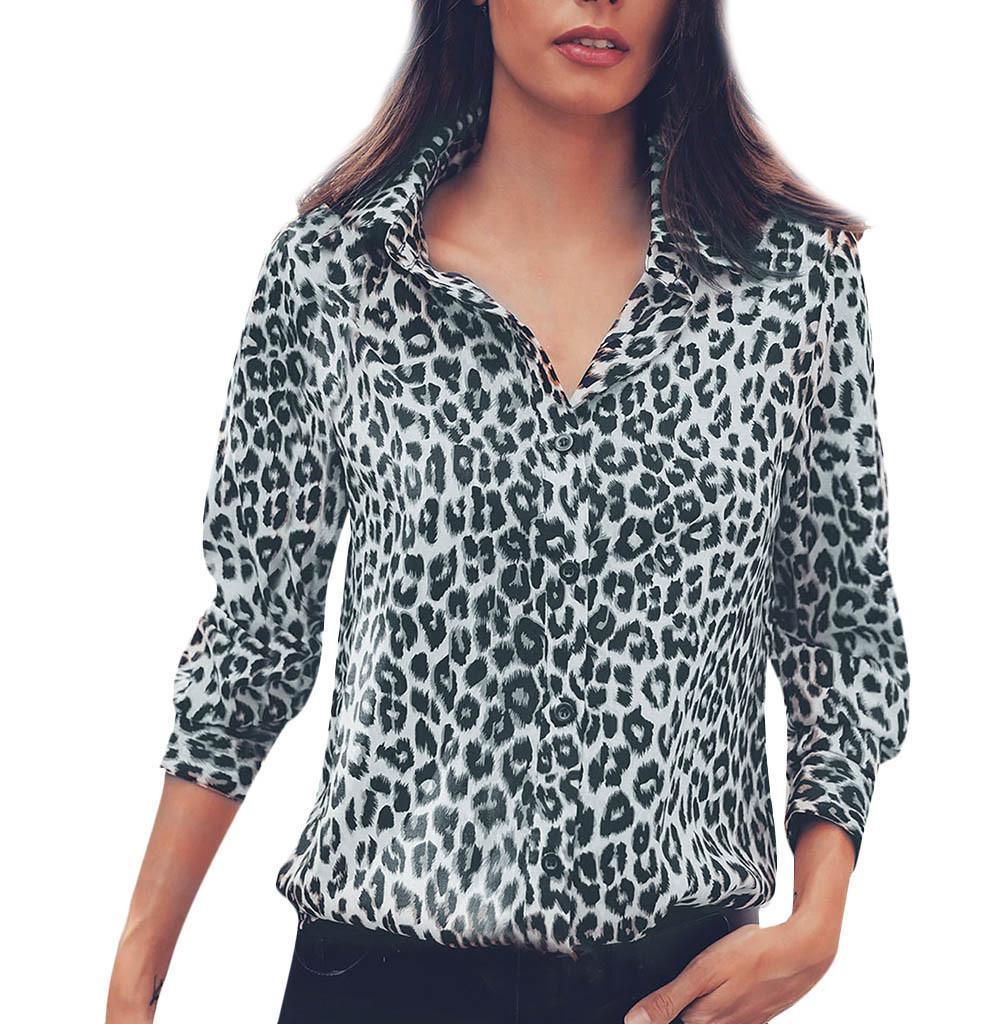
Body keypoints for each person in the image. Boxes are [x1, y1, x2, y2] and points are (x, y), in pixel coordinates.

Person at [107, 2, 912, 1022]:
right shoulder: (336, 277)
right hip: (384, 978)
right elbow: (255, 640)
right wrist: (135, 974)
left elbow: (840, 627)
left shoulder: (790, 283)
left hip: (676, 986)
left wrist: (817, 921)